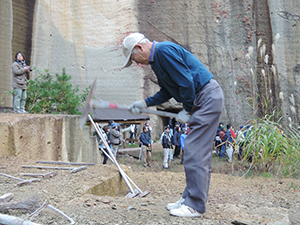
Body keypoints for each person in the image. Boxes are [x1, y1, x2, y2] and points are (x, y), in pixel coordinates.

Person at [122, 32, 224, 217]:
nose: (136, 63)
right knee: (196, 151)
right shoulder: (157, 61)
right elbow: (167, 91)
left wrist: (187, 109)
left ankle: (195, 206)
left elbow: (186, 82)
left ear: (139, 48)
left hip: (206, 97)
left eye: (133, 57)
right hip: (202, 97)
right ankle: (189, 198)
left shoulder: (163, 50)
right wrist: (145, 103)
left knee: (195, 150)